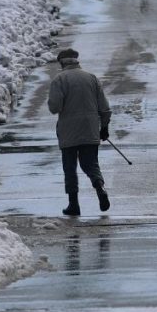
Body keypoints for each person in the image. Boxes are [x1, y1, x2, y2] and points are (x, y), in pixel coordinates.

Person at [48, 48, 112, 216]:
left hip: (68, 131)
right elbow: (104, 108)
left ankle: (73, 204)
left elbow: (54, 107)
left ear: (62, 62)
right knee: (90, 164)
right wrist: (104, 128)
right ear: (76, 61)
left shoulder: (59, 80)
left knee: (70, 168)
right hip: (90, 129)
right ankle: (100, 188)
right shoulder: (91, 78)